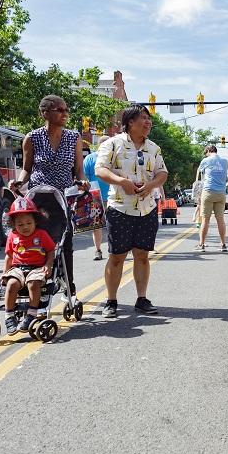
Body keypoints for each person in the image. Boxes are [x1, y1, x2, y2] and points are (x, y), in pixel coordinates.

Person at [9, 95, 89, 299]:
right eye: (60, 110)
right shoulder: (32, 137)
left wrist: (83, 181)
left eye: (66, 110)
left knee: (65, 243)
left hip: (64, 198)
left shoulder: (74, 137)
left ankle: (68, 287)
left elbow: (78, 168)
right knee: (37, 241)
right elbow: (27, 169)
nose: (65, 114)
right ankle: (38, 282)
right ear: (45, 113)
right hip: (39, 199)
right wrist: (18, 182)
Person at [95, 104, 167, 318]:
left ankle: (142, 299)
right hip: (120, 208)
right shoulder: (112, 144)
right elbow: (100, 169)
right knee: (116, 256)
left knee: (142, 256)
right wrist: (121, 182)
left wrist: (152, 186)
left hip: (147, 209)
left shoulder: (153, 148)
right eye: (143, 118)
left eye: (149, 118)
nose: (148, 122)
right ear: (130, 122)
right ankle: (111, 301)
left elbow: (162, 173)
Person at [0, 197, 56, 335]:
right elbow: (9, 256)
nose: (25, 227)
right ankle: (9, 316)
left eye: (28, 223)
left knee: (33, 284)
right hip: (18, 267)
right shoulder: (12, 236)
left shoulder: (41, 234)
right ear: (13, 224)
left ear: (35, 221)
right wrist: (4, 272)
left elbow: (50, 251)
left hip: (37, 268)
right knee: (11, 284)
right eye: (20, 224)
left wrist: (48, 265)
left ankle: (31, 313)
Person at [194, 145, 228, 252]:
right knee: (220, 220)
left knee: (205, 220)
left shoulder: (206, 160)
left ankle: (202, 244)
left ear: (208, 151)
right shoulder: (225, 161)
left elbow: (201, 174)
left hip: (208, 191)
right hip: (221, 193)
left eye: (206, 153)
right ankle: (223, 244)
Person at [83, 135, 110, 260]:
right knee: (105, 224)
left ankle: (99, 250)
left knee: (97, 225)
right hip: (104, 195)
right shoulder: (111, 157)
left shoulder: (89, 158)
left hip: (98, 195)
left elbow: (84, 178)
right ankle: (103, 249)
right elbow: (83, 178)